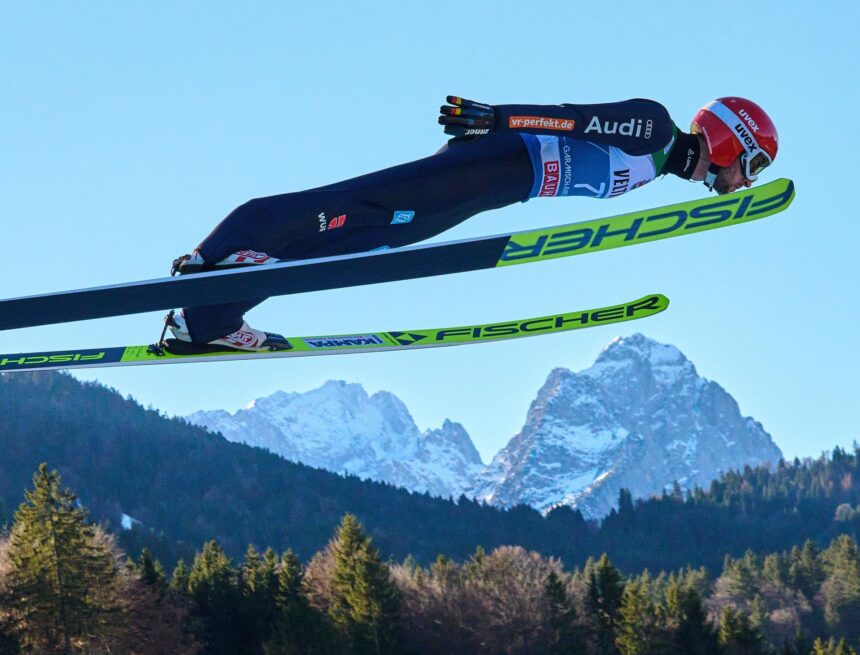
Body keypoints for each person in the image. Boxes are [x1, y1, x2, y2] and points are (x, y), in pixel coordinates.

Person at [165, 95, 779, 353]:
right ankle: (218, 253)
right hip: (498, 164)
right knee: (352, 205)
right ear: (732, 142)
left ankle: (209, 316)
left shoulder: (656, 164)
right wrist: (496, 118)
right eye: (750, 165)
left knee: (360, 242)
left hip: (502, 190)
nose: (744, 180)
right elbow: (571, 119)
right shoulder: (656, 128)